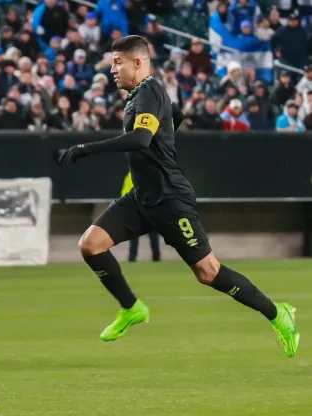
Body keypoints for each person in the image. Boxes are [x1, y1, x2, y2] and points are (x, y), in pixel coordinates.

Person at [54, 35, 300, 357]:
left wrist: (87, 148)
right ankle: (131, 308)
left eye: (117, 62)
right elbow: (176, 115)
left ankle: (277, 313)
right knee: (91, 244)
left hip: (170, 199)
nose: (112, 69)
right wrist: (166, 136)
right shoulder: (143, 96)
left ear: (138, 62)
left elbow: (141, 139)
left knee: (208, 273)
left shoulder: (149, 92)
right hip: (143, 196)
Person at [122, 172, 160, 262]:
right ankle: (134, 258)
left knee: (151, 236)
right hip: (140, 211)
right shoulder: (132, 175)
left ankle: (154, 258)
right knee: (137, 237)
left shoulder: (134, 174)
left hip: (145, 211)